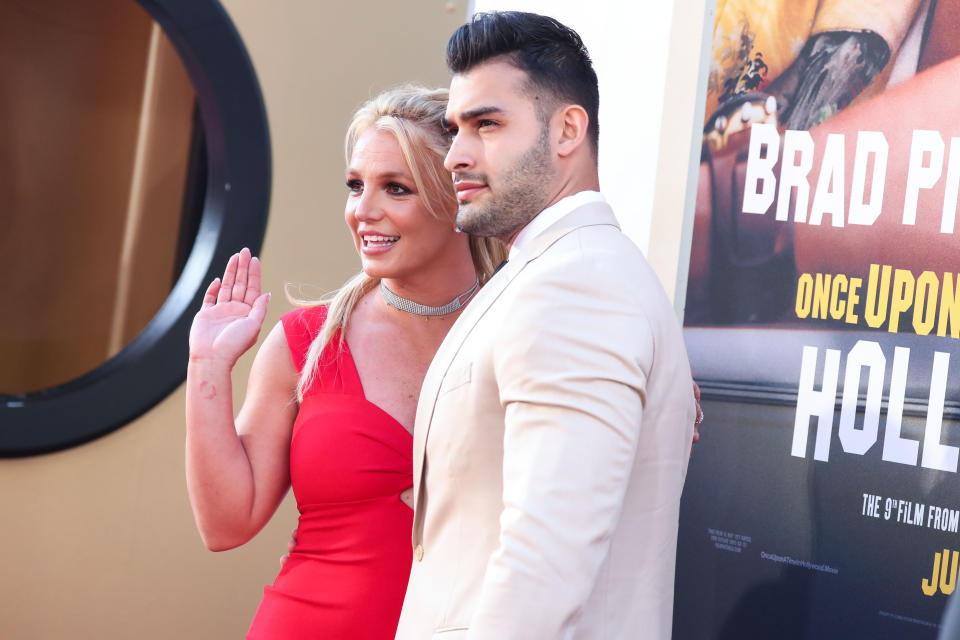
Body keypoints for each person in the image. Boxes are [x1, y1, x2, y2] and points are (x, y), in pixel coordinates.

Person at [394, 11, 697, 640]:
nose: (455, 155)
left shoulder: (576, 286)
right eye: (455, 129)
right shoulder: (548, 272)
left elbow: (544, 565)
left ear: (567, 130)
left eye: (487, 124)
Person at [184, 86, 505, 639]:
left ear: (458, 196)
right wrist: (207, 365)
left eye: (395, 189)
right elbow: (225, 524)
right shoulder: (305, 344)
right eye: (356, 186)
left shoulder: (521, 331)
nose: (363, 211)